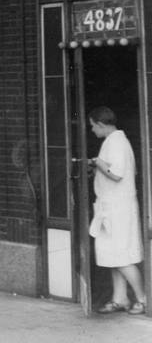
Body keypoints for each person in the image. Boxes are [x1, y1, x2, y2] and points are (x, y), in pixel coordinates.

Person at [88, 106, 146, 315]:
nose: (92, 130)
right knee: (113, 256)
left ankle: (143, 299)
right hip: (112, 207)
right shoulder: (115, 142)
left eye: (93, 126)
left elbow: (116, 174)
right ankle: (120, 298)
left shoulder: (117, 143)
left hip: (117, 209)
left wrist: (97, 162)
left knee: (121, 257)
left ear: (102, 125)